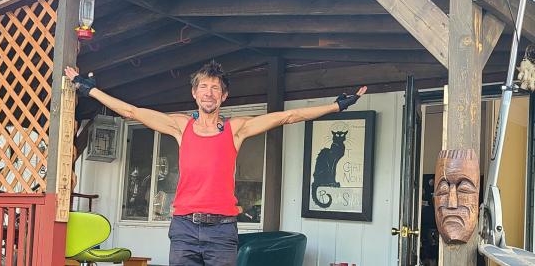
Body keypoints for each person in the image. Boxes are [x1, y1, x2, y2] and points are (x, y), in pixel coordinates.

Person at [64, 61, 366, 266]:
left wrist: (335, 105)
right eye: (204, 87)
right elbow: (131, 112)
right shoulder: (180, 126)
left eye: (215, 89)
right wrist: (89, 89)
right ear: (195, 93)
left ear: (224, 96)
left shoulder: (235, 129)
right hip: (184, 227)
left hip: (222, 231)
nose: (210, 93)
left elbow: (286, 116)